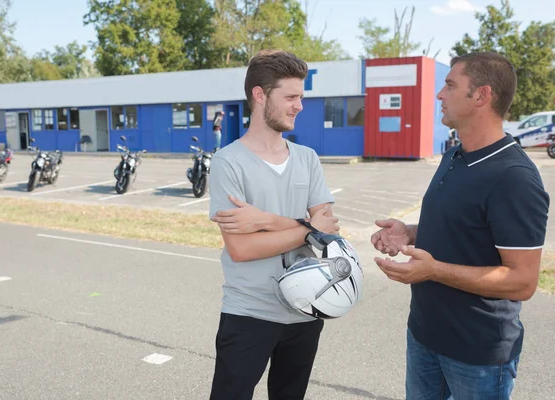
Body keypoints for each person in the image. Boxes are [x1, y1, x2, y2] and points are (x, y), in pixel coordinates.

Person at [371, 51, 550, 399]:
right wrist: (409, 232)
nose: (440, 94)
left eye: (450, 86)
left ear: (482, 95)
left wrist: (433, 270)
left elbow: (523, 281)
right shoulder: (454, 155)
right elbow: (461, 229)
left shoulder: (514, 177)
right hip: (424, 335)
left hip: (477, 355)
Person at [207, 49, 339, 400]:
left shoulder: (308, 159)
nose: (299, 106)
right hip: (249, 311)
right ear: (260, 95)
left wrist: (266, 221)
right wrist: (307, 227)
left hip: (307, 309)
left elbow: (328, 231)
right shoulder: (227, 163)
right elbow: (242, 248)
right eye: (291, 97)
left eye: (301, 97)